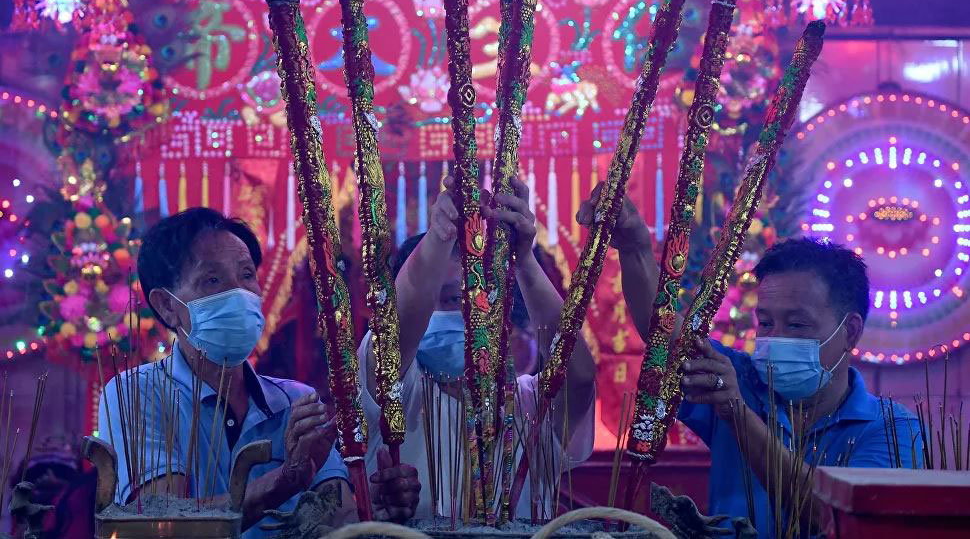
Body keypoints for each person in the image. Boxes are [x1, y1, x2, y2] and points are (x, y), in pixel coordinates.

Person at [577, 184, 921, 536]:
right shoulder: (743, 379)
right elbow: (663, 331)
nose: (776, 339)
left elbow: (836, 519)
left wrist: (739, 416)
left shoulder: (892, 430)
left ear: (850, 332)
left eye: (797, 324)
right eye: (766, 323)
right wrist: (634, 247)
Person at [99, 208, 420, 538]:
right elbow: (165, 525)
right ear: (167, 306)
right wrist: (284, 479)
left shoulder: (295, 401)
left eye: (246, 274)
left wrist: (373, 509)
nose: (239, 292)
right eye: (212, 280)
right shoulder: (135, 394)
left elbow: (337, 519)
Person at [357, 177, 597, 519]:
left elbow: (579, 375)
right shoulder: (397, 394)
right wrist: (440, 236)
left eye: (467, 300)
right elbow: (397, 331)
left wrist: (524, 262)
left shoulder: (528, 405)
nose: (459, 314)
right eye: (441, 302)